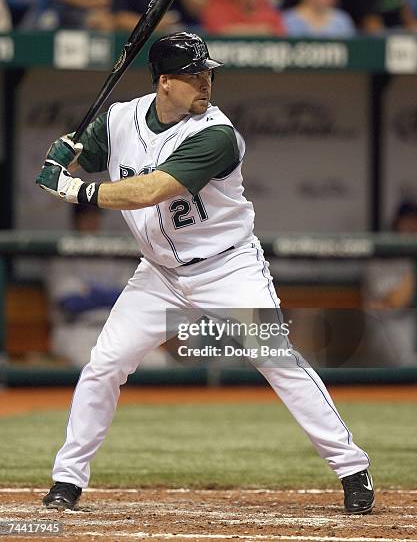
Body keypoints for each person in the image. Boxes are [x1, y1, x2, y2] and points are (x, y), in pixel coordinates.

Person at [36, 32, 374, 515]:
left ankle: (352, 469)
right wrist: (64, 152)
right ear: (165, 81)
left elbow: (149, 189)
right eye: (194, 75)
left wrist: (72, 190)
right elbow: (85, 154)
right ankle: (66, 481)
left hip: (227, 267)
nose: (206, 83)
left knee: (276, 359)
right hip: (158, 275)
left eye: (208, 73)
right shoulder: (117, 119)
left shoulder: (215, 134)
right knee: (104, 365)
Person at [47, 205, 137, 368]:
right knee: (95, 367)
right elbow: (72, 303)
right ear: (76, 221)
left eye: (95, 216)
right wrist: (110, 295)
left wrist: (91, 292)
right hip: (77, 331)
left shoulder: (115, 250)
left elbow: (130, 298)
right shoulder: (62, 254)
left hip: (117, 328)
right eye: (87, 217)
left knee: (157, 362)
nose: (92, 221)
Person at [361, 201, 417, 367]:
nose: (413, 225)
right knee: (409, 365)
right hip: (388, 324)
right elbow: (395, 301)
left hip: (409, 320)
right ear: (397, 222)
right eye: (409, 220)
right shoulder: (382, 254)